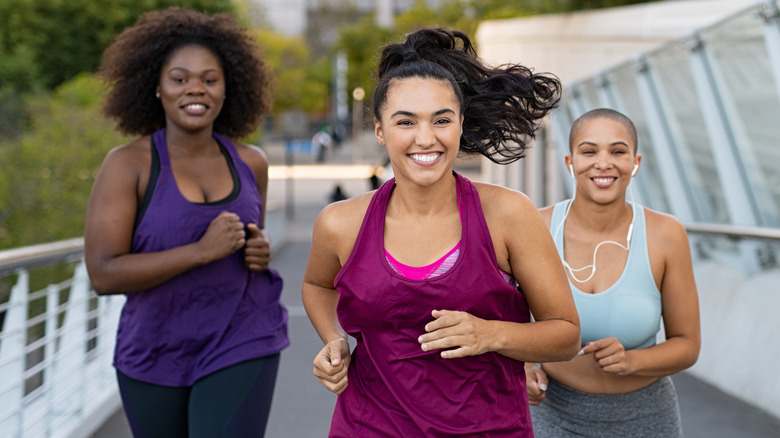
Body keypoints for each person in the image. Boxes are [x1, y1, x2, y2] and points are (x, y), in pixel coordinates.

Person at [302, 28, 581, 437]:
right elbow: (316, 284)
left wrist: (490, 333)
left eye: (442, 120)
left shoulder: (507, 214)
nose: (425, 138)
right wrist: (334, 339)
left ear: (460, 124)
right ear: (380, 131)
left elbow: (565, 335)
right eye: (405, 122)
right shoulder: (340, 223)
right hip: (368, 426)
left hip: (488, 428)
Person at [84, 7, 288, 437]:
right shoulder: (127, 166)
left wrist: (259, 249)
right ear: (156, 87)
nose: (195, 89)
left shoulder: (251, 162)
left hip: (242, 336)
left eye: (209, 79)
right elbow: (103, 273)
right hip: (154, 347)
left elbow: (253, 236)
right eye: (179, 78)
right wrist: (199, 252)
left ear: (227, 88)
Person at [525, 108, 701, 437]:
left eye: (617, 151)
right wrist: (522, 367)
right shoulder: (536, 226)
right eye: (589, 151)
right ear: (570, 162)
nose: (603, 163)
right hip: (553, 415)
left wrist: (631, 362)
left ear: (635, 162)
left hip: (647, 417)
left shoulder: (666, 234)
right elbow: (505, 320)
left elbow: (687, 344)